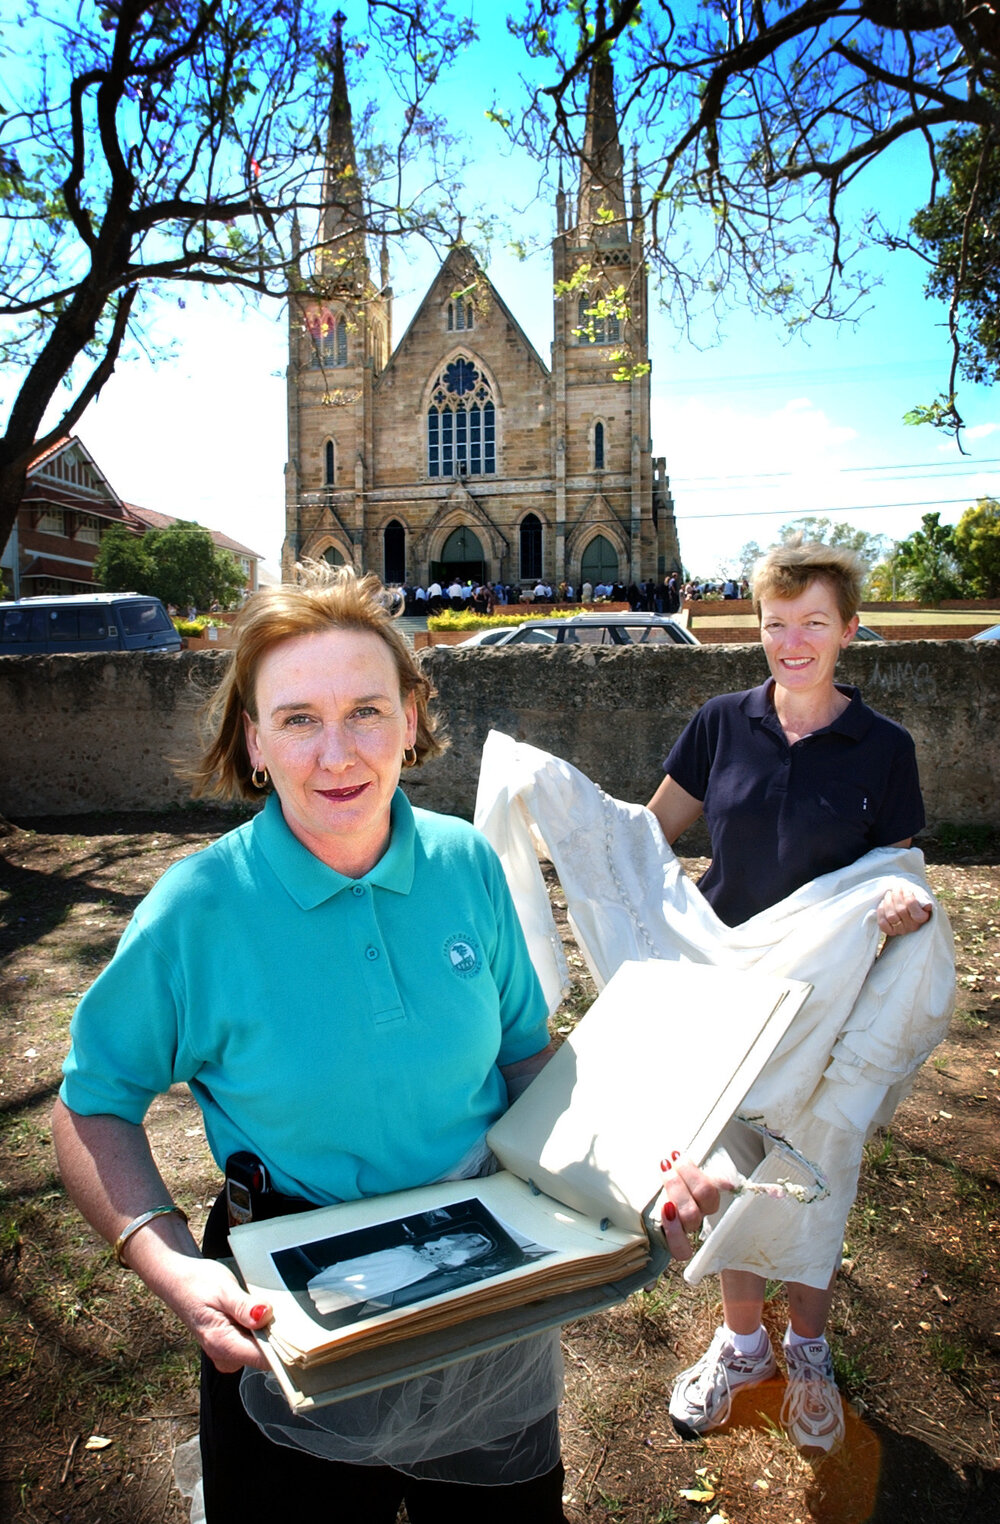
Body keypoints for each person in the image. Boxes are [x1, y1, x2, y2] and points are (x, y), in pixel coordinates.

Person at [53, 562, 706, 1523]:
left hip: (491, 1280)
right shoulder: (197, 911)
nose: (337, 753)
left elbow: (527, 1055)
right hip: (293, 1305)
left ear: (411, 717)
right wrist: (170, 1262)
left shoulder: (465, 863)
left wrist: (633, 1170)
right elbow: (92, 1101)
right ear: (255, 743)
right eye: (298, 719)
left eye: (366, 709)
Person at [647, 539, 931, 1456]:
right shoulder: (720, 723)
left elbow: (901, 870)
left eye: (814, 622)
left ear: (849, 629)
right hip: (730, 993)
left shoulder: (884, 749)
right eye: (777, 624)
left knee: (811, 1175)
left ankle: (806, 1351)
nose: (793, 641)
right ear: (757, 627)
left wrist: (902, 906)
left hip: (826, 1004)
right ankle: (741, 1347)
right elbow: (651, 835)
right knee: (731, 1171)